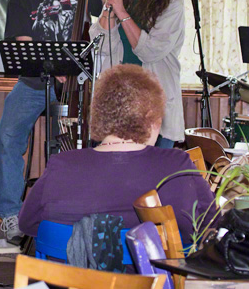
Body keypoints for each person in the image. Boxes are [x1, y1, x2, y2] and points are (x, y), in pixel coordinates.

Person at [18, 64, 216, 243]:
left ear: (99, 114)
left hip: (68, 279)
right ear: (151, 118)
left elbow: (27, 224)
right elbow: (210, 226)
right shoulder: (177, 165)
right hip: (148, 281)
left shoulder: (61, 164)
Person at [0, 0, 105, 243]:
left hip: (77, 86)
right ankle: (10, 215)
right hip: (34, 83)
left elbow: (105, 15)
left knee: (69, 145)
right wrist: (53, 65)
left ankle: (72, 213)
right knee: (8, 137)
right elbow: (22, 41)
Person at [89, 0, 185, 148]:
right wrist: (111, 2)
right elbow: (101, 44)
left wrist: (121, 11)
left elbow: (151, 50)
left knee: (154, 178)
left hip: (155, 107)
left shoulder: (171, 3)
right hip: (121, 104)